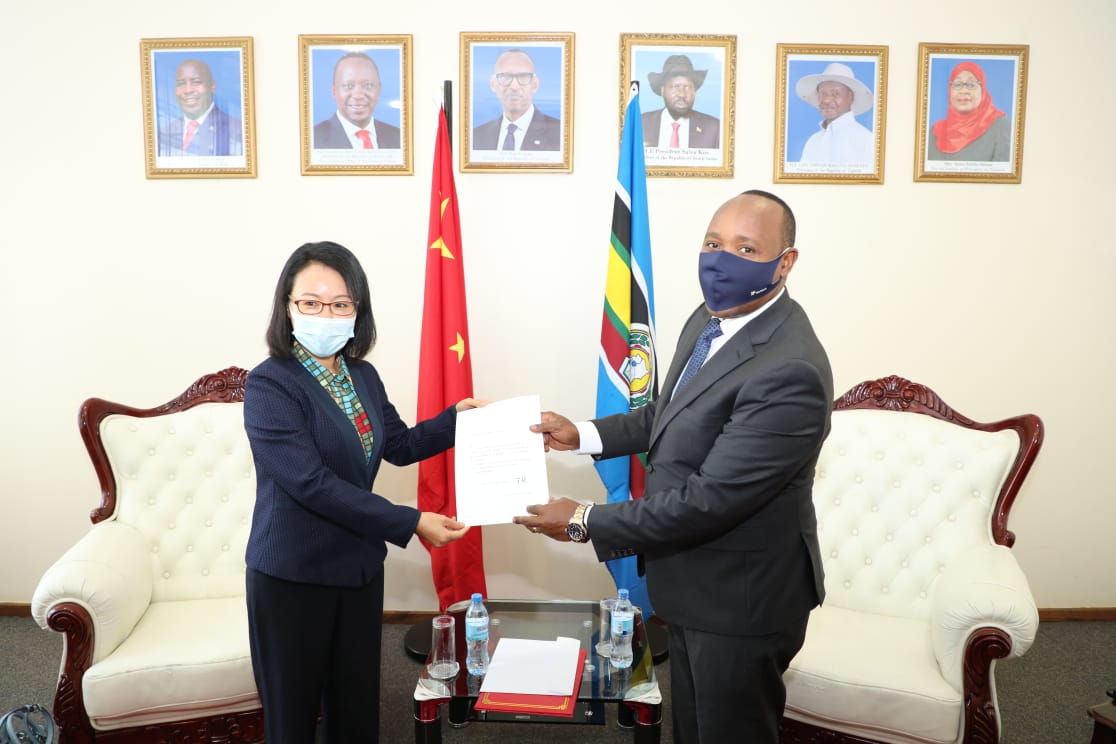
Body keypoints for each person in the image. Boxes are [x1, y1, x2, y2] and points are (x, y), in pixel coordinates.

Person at [514, 190, 833, 744]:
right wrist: (582, 434)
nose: (720, 259)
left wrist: (586, 518)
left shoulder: (791, 371)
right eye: (713, 243)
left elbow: (711, 499)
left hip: (741, 601)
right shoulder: (710, 319)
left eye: (745, 247)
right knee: (693, 728)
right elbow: (669, 414)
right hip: (689, 582)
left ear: (786, 262)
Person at [243, 241, 477, 743]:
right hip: (293, 577)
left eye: (341, 304)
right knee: (293, 718)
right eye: (311, 302)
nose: (326, 313)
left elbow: (398, 443)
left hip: (358, 568)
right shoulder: (268, 385)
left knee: (355, 709)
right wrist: (411, 520)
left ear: (357, 312)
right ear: (287, 307)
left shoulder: (361, 375)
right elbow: (310, 483)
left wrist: (458, 421)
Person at [472, 48, 561, 151]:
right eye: (505, 76)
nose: (514, 86)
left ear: (535, 84)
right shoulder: (477, 136)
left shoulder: (559, 133)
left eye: (523, 77)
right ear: (493, 84)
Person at [313, 52, 401, 150]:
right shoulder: (313, 139)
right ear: (334, 91)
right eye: (348, 86)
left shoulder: (400, 138)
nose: (358, 95)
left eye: (368, 85)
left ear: (379, 90)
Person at [157, 58, 243, 157]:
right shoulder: (164, 133)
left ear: (212, 86)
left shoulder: (236, 130)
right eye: (181, 83)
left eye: (196, 82)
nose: (188, 90)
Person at [928, 61, 1010, 162]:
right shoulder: (935, 132)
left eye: (971, 85)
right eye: (957, 84)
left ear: (983, 90)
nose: (964, 91)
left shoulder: (1000, 126)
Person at [794, 61, 874, 165]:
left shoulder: (867, 141)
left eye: (836, 94)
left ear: (851, 97)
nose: (827, 100)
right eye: (823, 94)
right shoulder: (813, 141)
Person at [642, 55, 721, 150]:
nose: (682, 94)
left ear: (694, 91)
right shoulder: (641, 123)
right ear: (662, 91)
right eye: (675, 87)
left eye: (687, 87)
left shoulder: (714, 128)